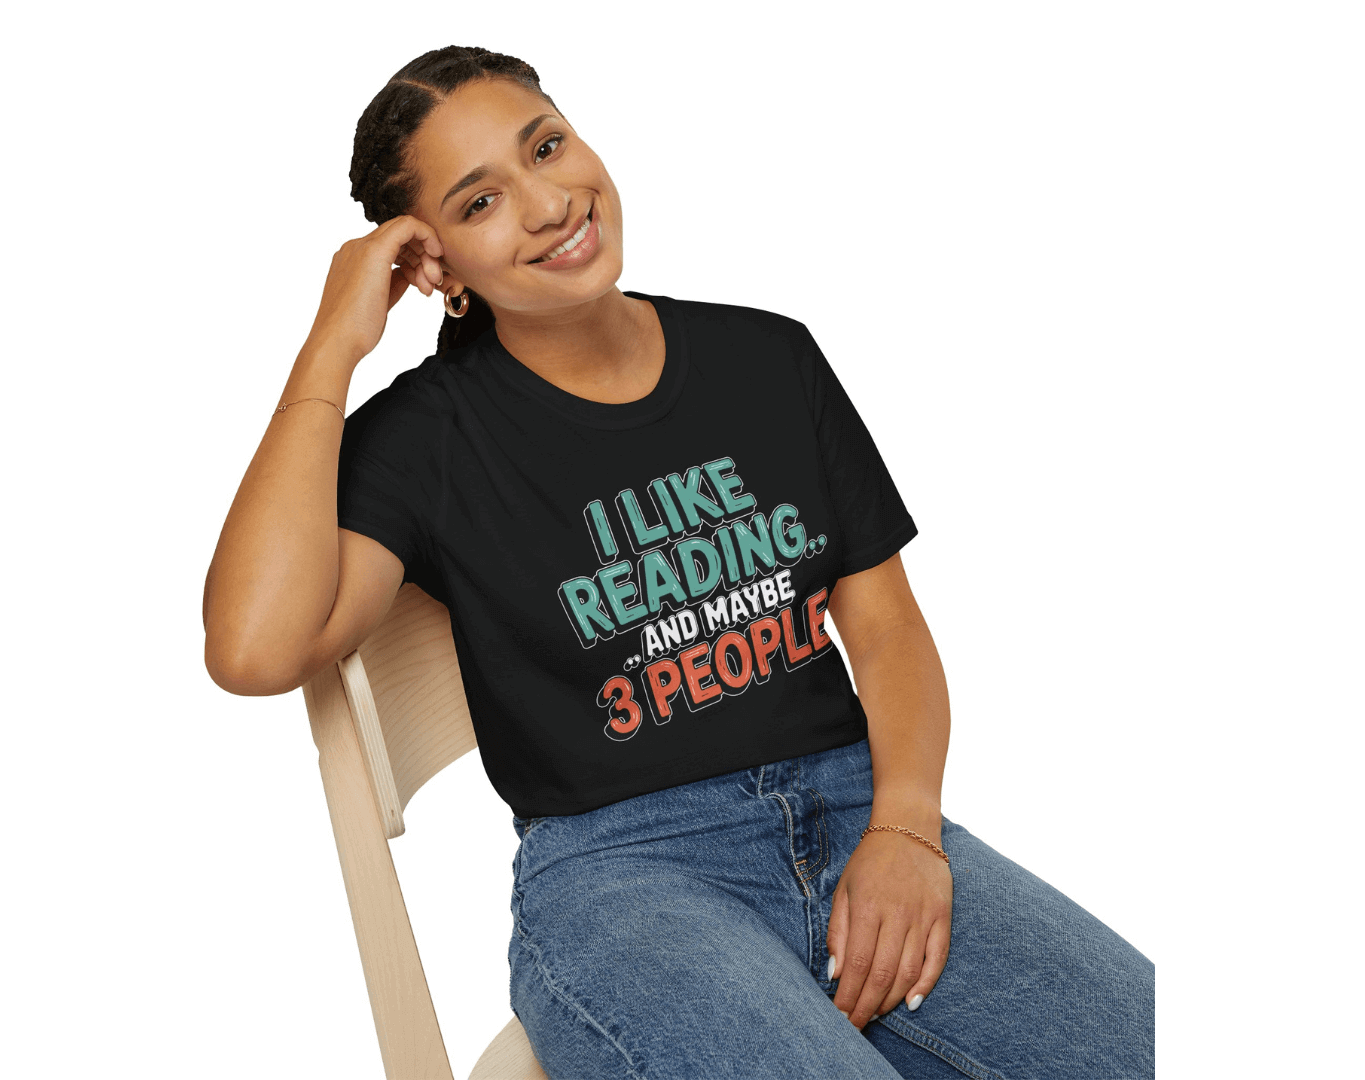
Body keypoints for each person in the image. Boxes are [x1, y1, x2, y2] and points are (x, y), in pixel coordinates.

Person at [203, 45, 1154, 1080]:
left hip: (857, 809)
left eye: (547, 146)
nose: (549, 202)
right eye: (480, 204)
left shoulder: (769, 358)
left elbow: (884, 631)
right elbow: (254, 649)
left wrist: (908, 831)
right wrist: (331, 346)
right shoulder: (428, 439)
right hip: (624, 875)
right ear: (439, 270)